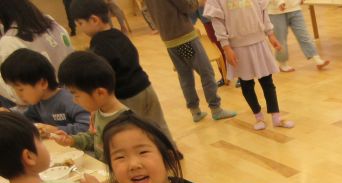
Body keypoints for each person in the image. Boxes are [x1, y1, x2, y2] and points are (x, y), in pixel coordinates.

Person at [69, 0, 175, 146]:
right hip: (146, 87)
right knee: (159, 126)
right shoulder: (119, 34)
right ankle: (172, 151)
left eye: (80, 23)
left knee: (137, 133)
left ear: (94, 20)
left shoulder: (98, 45)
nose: (79, 28)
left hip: (127, 97)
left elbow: (103, 77)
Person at [204, 0, 294, 130]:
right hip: (237, 46)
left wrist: (270, 34)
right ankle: (258, 117)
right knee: (246, 84)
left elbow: (263, 12)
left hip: (259, 42)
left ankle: (276, 118)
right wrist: (226, 47)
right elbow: (217, 21)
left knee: (267, 81)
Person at [143, 0, 236, 123]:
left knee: (185, 76)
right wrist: (198, 2)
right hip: (184, 37)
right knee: (206, 71)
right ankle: (216, 109)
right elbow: (187, 6)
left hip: (169, 40)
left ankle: (195, 111)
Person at [51, 50, 129, 161]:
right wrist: (71, 140)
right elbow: (93, 139)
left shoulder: (125, 123)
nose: (74, 101)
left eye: (76, 95)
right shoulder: (98, 112)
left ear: (100, 93)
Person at [0, 48, 90, 135]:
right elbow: (25, 115)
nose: (18, 94)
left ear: (43, 83)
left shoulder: (70, 100)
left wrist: (56, 130)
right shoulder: (37, 103)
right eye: (14, 89)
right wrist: (9, 113)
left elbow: (87, 126)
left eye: (21, 89)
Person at [0, 0, 73, 106]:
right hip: (71, 86)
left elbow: (18, 95)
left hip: (44, 99)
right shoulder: (51, 23)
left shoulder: (10, 40)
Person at [268, 0, 330, 72]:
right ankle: (283, 64)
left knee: (304, 35)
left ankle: (317, 60)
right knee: (280, 39)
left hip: (295, 8)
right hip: (276, 11)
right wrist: (279, 2)